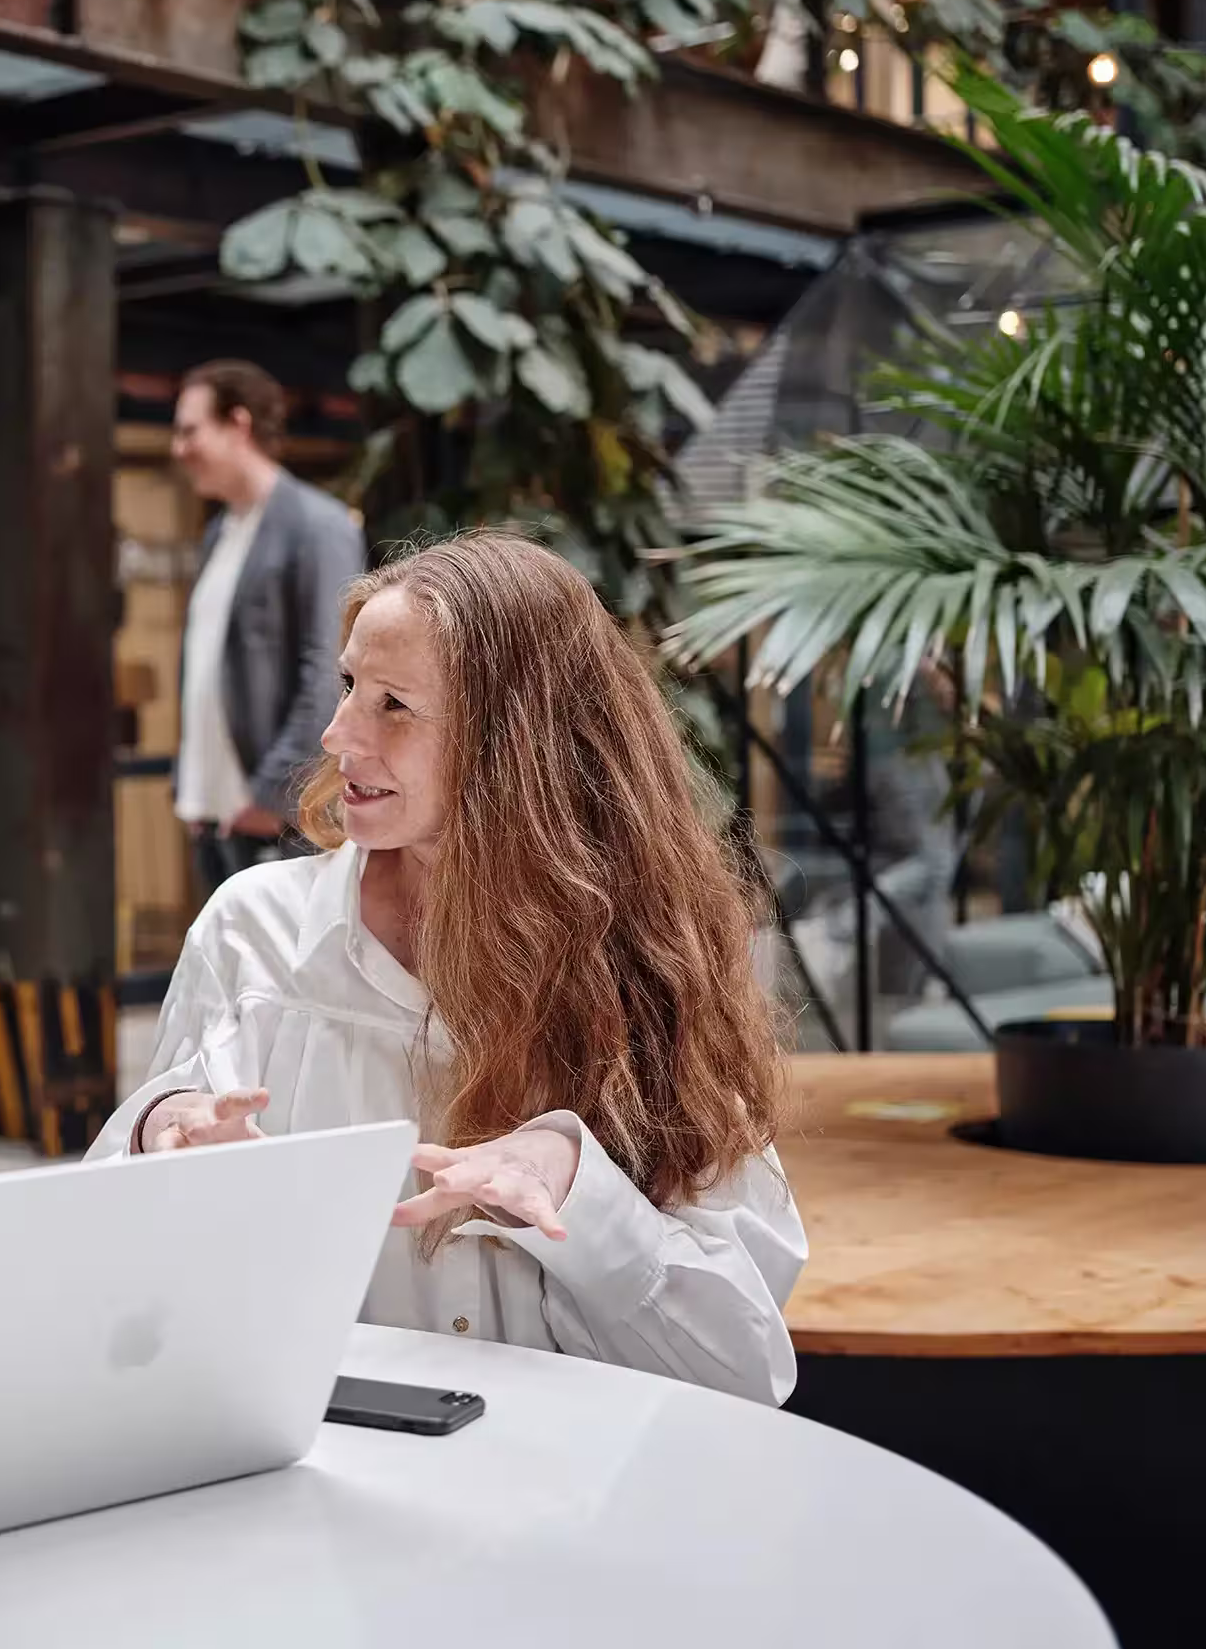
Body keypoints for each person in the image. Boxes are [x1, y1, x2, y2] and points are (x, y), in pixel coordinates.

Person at [94, 531, 805, 1406]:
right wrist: (157, 1135)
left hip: (572, 1504)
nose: (338, 733)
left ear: (520, 743)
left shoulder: (651, 966)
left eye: (395, 704)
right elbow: (115, 1298)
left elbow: (744, 1369)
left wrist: (579, 1192)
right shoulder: (255, 934)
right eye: (350, 684)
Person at [168, 359, 366, 897]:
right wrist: (191, 783)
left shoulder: (316, 525)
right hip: (214, 812)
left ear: (239, 424)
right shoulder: (219, 531)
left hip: (276, 820)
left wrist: (275, 795)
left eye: (190, 430)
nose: (177, 449)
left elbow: (329, 668)